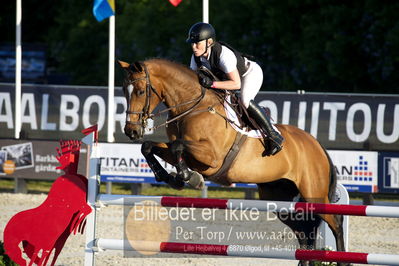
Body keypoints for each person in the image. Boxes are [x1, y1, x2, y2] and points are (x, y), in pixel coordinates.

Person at [186, 22, 284, 156]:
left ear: (209, 42)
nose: (193, 47)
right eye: (192, 43)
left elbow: (236, 84)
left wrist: (212, 84)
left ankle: (273, 134)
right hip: (225, 81)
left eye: (197, 43)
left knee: (245, 100)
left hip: (248, 74)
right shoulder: (195, 58)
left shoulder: (223, 55)